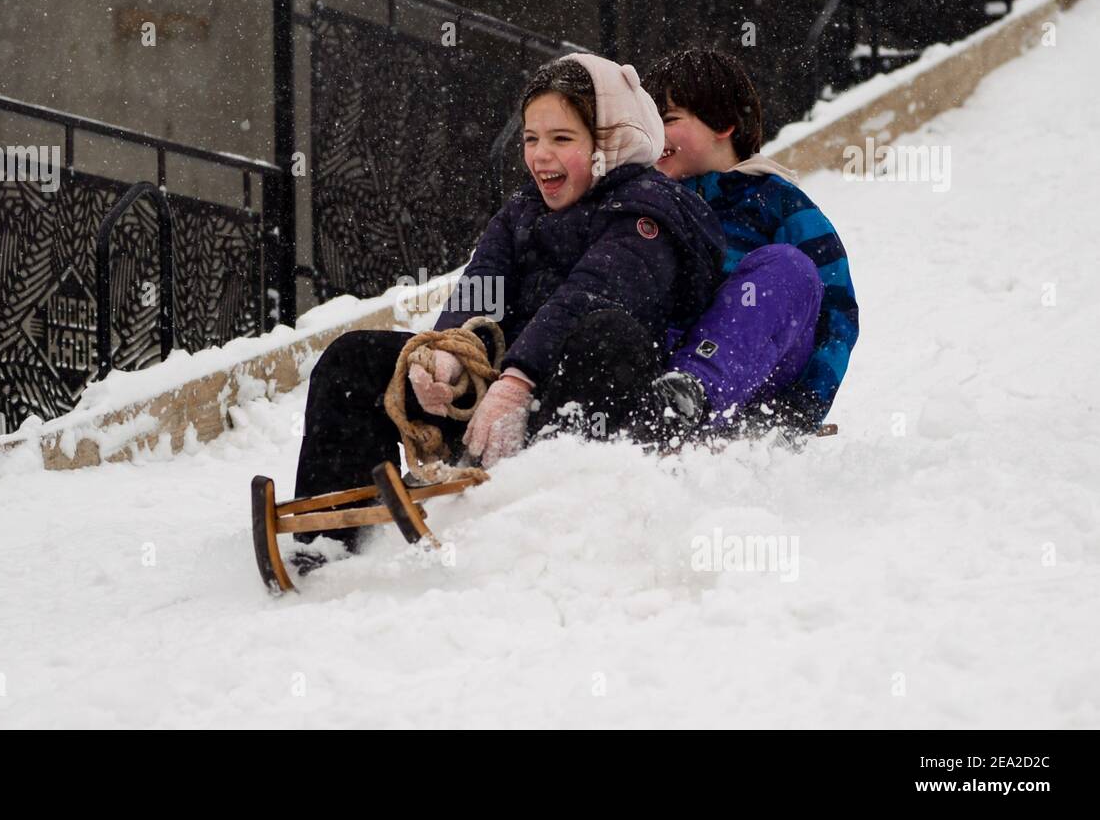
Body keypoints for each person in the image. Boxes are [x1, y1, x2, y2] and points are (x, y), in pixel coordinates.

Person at [291, 52, 725, 553]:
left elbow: (590, 293)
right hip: (494, 405)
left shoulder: (648, 210)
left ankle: (552, 511)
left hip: (582, 400)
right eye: (531, 139)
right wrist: (447, 356)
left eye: (562, 140)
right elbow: (483, 284)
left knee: (606, 335)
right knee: (354, 357)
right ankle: (328, 534)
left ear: (609, 142)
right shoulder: (522, 212)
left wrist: (518, 381)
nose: (541, 156)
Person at [640, 48, 860, 439]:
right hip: (657, 376)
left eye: (668, 120)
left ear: (723, 122)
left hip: (754, 384)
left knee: (788, 269)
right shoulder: (646, 204)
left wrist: (800, 410)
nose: (655, 134)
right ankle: (657, 406)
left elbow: (837, 313)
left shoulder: (776, 201)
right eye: (648, 123)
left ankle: (692, 394)